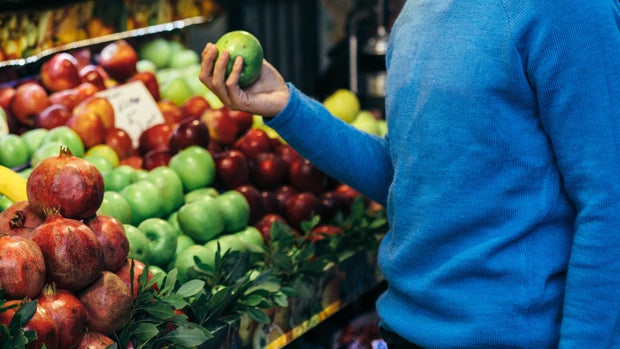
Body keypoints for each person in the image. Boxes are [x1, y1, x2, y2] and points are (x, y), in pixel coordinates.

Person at [200, 1, 620, 347]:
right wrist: (285, 106)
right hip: (404, 328)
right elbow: (407, 177)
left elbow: (607, 200)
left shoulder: (568, 9)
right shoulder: (417, 13)